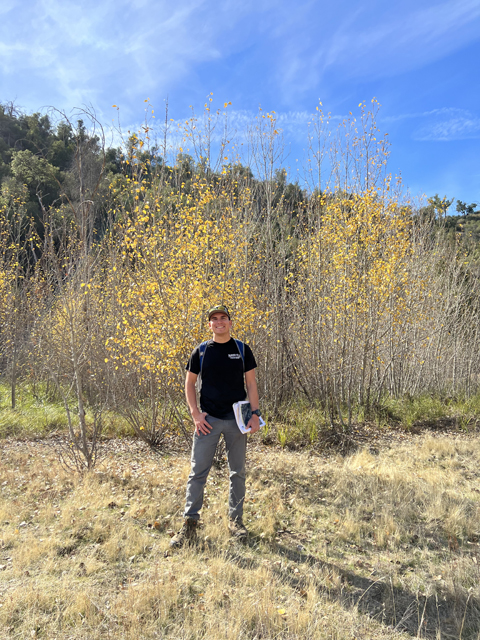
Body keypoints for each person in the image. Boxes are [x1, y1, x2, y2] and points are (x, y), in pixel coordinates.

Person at [170, 304, 261, 547]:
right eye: (214, 319)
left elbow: (251, 384)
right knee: (197, 472)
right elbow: (189, 384)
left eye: (223, 318)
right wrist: (195, 414)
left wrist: (255, 413)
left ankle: (236, 522)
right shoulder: (201, 351)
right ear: (209, 324)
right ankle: (189, 526)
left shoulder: (242, 349)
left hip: (237, 420)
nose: (219, 322)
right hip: (207, 422)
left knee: (237, 472)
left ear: (230, 322)